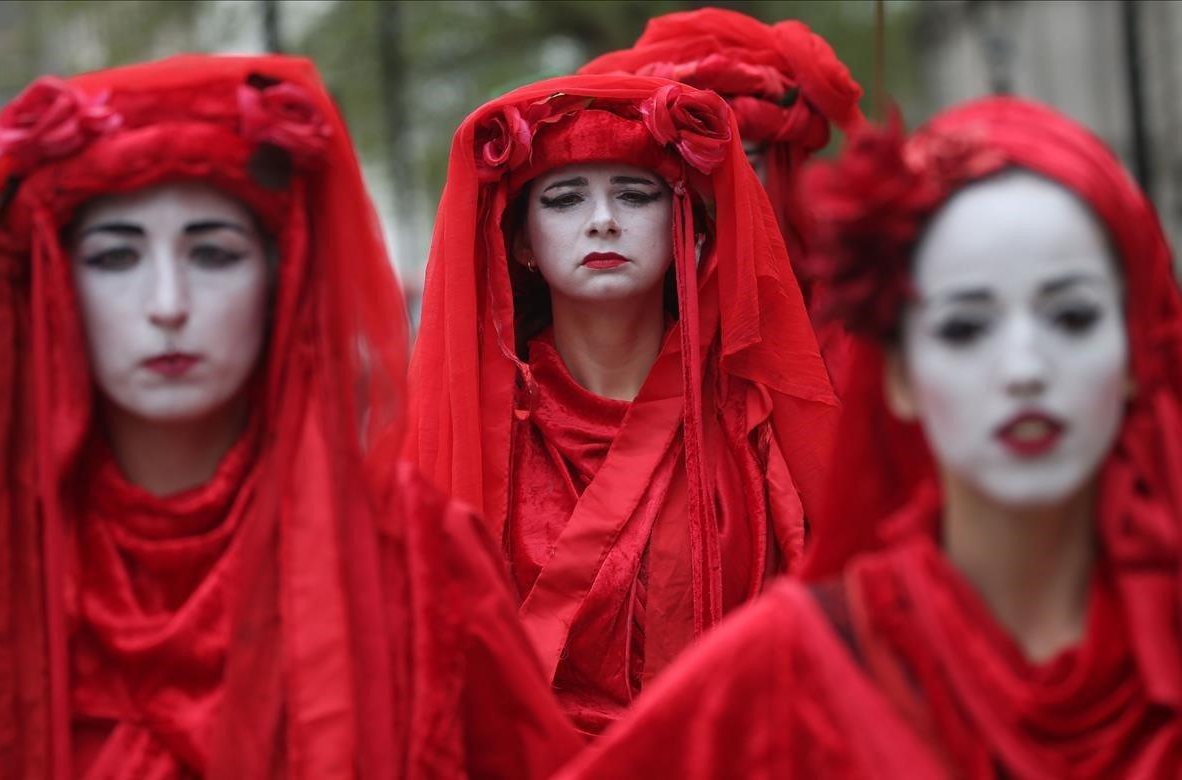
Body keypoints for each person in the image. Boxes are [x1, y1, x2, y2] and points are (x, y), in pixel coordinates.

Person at [0, 55, 579, 778]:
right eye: (115, 258)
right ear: (54, 284)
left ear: (281, 277)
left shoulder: (419, 560)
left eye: (212, 253)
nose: (167, 303)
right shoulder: (3, 549)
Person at [559, 97, 1182, 777]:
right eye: (965, 329)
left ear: (1134, 354)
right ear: (897, 375)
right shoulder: (780, 677)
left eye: (1072, 317)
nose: (1025, 371)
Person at [406, 74, 838, 735]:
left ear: (685, 226)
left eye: (635, 195)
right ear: (521, 242)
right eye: (564, 199)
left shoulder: (754, 420)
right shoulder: (481, 435)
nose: (602, 220)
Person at [579, 7, 864, 387]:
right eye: (696, 169)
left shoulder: (855, 302)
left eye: (747, 164)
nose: (723, 192)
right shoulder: (588, 312)